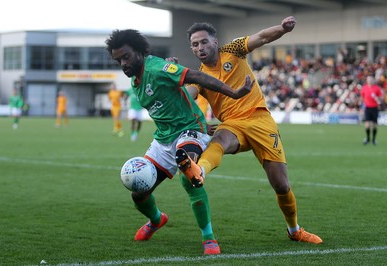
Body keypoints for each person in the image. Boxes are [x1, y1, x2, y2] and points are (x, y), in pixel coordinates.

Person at [174, 16, 323, 246]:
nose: (200, 48)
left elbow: (261, 37)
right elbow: (187, 98)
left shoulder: (232, 50)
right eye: (195, 45)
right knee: (219, 140)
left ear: (215, 42)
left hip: (260, 120)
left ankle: (294, 230)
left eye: (204, 42)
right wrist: (170, 78)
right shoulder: (199, 77)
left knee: (281, 185)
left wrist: (282, 29)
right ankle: (198, 171)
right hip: (233, 124)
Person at [105, 29, 252, 255]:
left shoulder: (156, 68)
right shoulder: (137, 80)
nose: (123, 63)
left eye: (126, 56)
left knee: (189, 175)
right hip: (163, 139)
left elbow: (196, 76)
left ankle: (209, 238)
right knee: (139, 193)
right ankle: (156, 220)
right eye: (118, 60)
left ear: (140, 52)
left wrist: (232, 93)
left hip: (189, 130)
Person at [361, 75, 383, 145]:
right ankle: (368, 138)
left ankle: (373, 139)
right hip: (367, 108)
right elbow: (362, 97)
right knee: (367, 125)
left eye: (371, 79)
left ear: (373, 80)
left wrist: (377, 99)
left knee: (374, 125)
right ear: (367, 80)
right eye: (368, 79)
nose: (370, 80)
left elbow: (381, 97)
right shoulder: (364, 88)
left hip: (374, 108)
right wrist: (362, 106)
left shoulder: (377, 88)